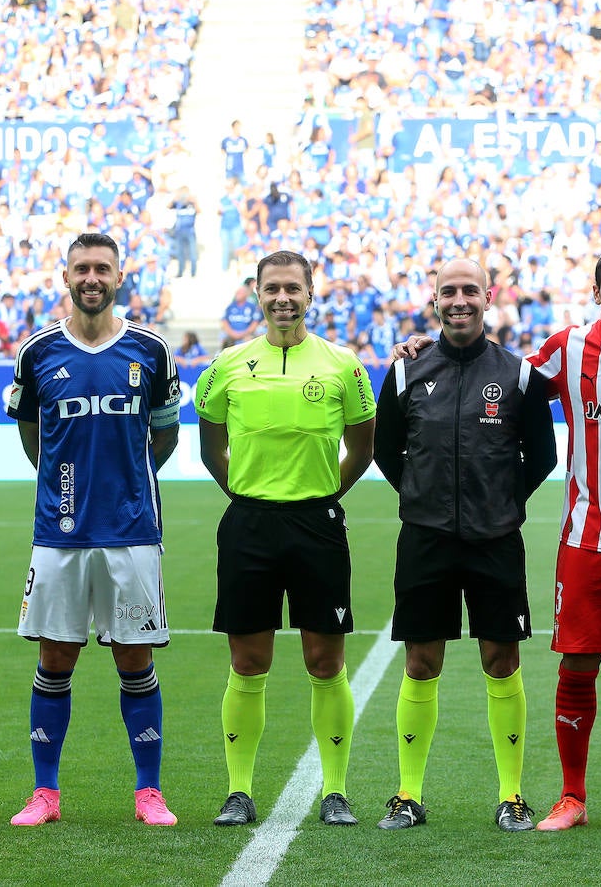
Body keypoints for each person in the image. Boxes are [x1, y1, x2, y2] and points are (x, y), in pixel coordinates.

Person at [396, 244, 601, 833]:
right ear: (596, 293)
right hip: (590, 537)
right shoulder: (566, 351)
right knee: (577, 663)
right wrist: (423, 348)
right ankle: (572, 797)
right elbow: (493, 376)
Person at [372, 259, 557, 833]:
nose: (459, 300)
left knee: (501, 660)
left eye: (469, 291)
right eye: (448, 291)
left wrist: (501, 504)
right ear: (434, 298)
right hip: (425, 540)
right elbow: (386, 451)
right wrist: (425, 498)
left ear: (488, 296)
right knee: (421, 660)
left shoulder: (519, 375)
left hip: (495, 541)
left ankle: (512, 796)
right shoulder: (406, 373)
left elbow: (542, 457)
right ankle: (407, 794)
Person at [4, 232, 182, 828]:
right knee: (56, 658)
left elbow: (165, 435)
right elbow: (33, 438)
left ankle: (148, 792)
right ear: (66, 275)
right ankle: (45, 794)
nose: (91, 278)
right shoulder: (36, 353)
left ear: (119, 275)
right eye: (81, 268)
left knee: (135, 659)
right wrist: (62, 484)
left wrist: (131, 481)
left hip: (132, 531)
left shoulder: (151, 351)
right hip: (59, 534)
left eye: (101, 268)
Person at [195, 249, 376, 827]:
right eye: (272, 288)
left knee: (325, 659)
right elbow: (210, 445)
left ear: (310, 292)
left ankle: (336, 791)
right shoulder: (225, 366)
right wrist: (248, 492)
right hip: (248, 523)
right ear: (256, 291)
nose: (282, 298)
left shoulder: (343, 365)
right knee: (248, 660)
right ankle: (239, 790)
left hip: (317, 524)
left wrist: (322, 496)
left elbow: (363, 446)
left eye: (293, 288)